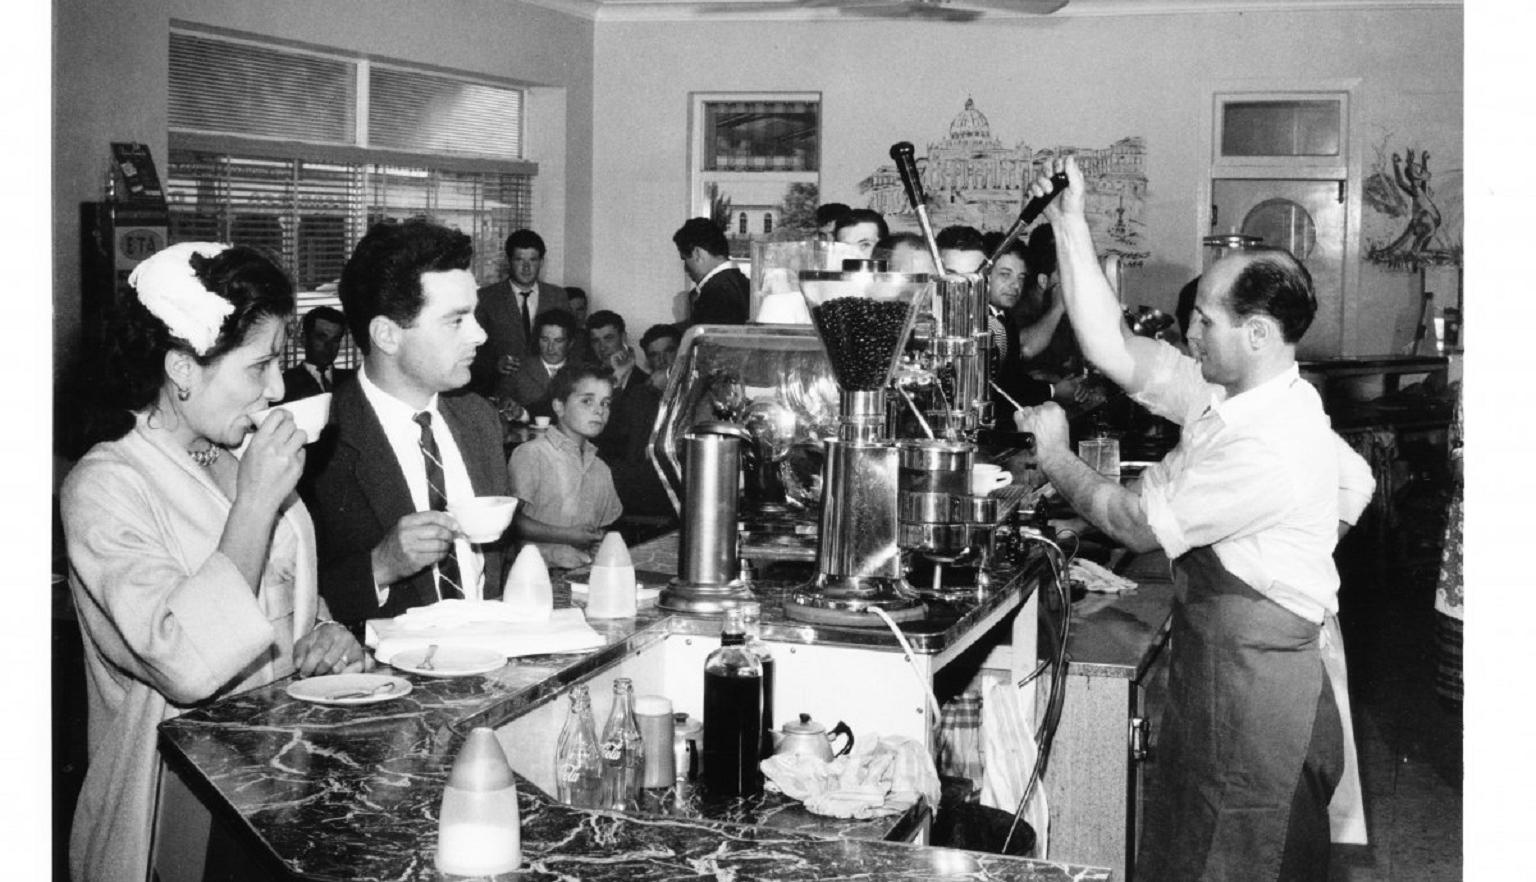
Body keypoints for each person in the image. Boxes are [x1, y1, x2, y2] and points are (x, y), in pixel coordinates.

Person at [1015, 155, 1347, 880]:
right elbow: (1110, 347)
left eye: (1204, 319)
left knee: (1237, 858)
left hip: (1256, 684)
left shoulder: (1271, 442)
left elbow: (1133, 524)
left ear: (1258, 334)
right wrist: (1070, 222)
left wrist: (1056, 456)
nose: (1187, 331)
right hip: (1222, 663)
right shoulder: (1235, 395)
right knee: (1191, 850)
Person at [60, 242, 367, 882]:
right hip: (175, 817)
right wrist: (256, 500)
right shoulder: (106, 485)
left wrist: (323, 632)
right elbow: (184, 662)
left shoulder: (231, 453)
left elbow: (284, 592)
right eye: (257, 368)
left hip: (277, 788)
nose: (277, 389)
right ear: (182, 370)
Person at [305, 219, 514, 629]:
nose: (479, 335)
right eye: (456, 320)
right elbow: (284, 600)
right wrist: (379, 567)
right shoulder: (318, 442)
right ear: (386, 335)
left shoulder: (480, 420)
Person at [508, 365, 624, 568]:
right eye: (587, 401)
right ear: (559, 407)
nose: (599, 410)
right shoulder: (531, 454)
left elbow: (602, 528)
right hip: (534, 576)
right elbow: (511, 521)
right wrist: (566, 537)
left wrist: (598, 542)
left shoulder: (600, 468)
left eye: (605, 403)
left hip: (582, 574)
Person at [470, 228, 570, 404]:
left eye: (532, 260)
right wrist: (495, 364)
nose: (526, 267)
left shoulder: (557, 296)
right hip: (501, 392)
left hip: (550, 392)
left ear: (541, 262)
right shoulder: (486, 298)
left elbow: (571, 343)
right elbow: (472, 348)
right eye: (519, 260)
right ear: (509, 261)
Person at [588, 311, 670, 516]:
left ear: (623, 338)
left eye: (609, 338)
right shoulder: (589, 378)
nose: (603, 347)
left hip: (637, 484)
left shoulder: (645, 385)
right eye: (596, 341)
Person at [673, 217, 749, 325]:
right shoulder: (745, 284)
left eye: (685, 258)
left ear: (697, 253)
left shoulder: (714, 295)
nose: (686, 268)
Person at [510, 308, 581, 418]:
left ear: (570, 343)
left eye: (558, 341)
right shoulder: (518, 370)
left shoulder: (582, 372)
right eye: (545, 340)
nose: (550, 348)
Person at [281, 305, 352, 402]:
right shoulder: (285, 383)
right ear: (304, 339)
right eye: (321, 337)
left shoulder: (351, 380)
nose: (329, 346)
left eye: (335, 340)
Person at [640, 322, 682, 393]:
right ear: (648, 359)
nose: (662, 360)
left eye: (668, 351)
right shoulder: (639, 393)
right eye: (654, 355)